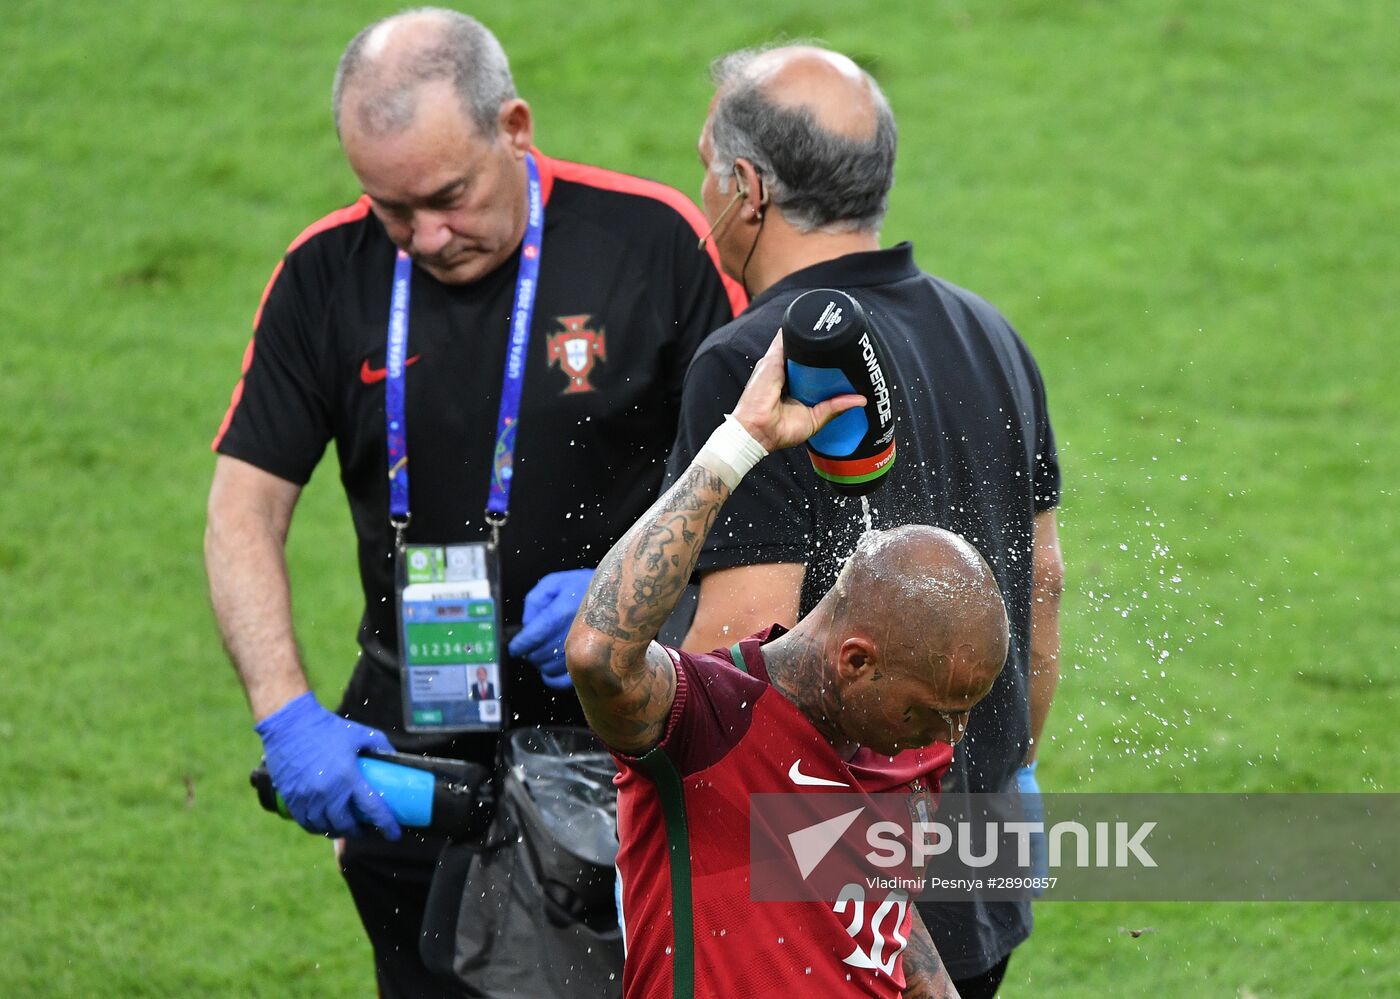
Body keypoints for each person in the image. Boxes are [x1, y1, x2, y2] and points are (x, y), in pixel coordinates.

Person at [203, 9, 743, 996]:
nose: (425, 236)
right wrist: (285, 713)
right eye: (391, 208)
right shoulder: (325, 275)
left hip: (624, 732)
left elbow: (753, 479)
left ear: (515, 126)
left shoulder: (649, 242)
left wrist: (642, 596)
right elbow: (242, 509)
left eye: (447, 197)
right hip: (415, 759)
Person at [670, 45, 1064, 997]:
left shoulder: (753, 363)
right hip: (975, 875)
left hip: (825, 905)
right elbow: (1041, 581)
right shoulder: (990, 331)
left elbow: (739, 649)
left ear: (748, 188)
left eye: (707, 168)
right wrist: (999, 765)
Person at [566, 333, 1010, 999]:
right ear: (857, 661)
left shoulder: (906, 749)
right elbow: (599, 656)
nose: (950, 737)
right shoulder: (708, 721)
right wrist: (740, 441)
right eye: (933, 711)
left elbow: (875, 909)